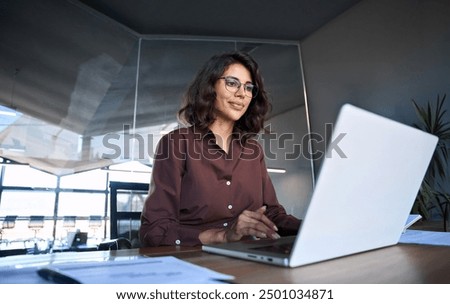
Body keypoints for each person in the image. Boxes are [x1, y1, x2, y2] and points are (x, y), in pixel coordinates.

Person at [139, 51, 301, 247]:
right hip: (195, 259)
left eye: (249, 88)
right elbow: (154, 230)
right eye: (232, 83)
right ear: (210, 87)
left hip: (249, 257)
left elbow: (272, 215)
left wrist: (312, 226)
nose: (242, 94)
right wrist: (221, 236)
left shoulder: (253, 150)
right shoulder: (176, 143)